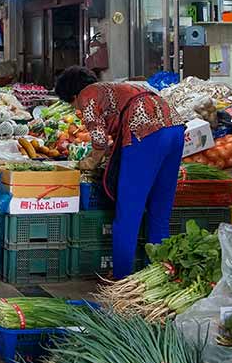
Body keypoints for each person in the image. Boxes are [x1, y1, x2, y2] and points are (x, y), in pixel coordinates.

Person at [54, 67, 184, 279]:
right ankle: (160, 275)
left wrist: (90, 162)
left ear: (74, 95)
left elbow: (99, 140)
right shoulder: (119, 86)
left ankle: (122, 278)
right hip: (174, 127)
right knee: (160, 212)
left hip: (144, 131)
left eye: (72, 104)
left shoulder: (88, 94)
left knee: (128, 213)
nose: (76, 109)